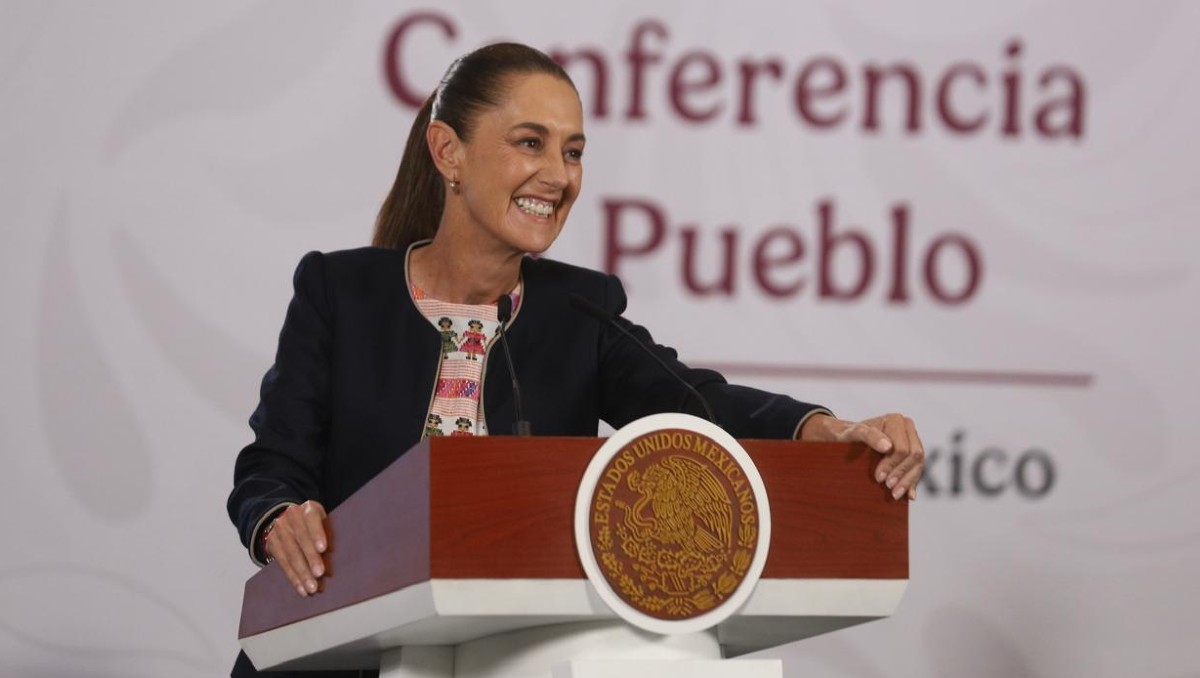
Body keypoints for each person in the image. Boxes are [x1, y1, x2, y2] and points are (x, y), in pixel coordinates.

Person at [227, 42, 924, 678]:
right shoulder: (339, 291)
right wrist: (279, 515)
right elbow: (273, 462)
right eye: (531, 143)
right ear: (449, 152)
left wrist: (823, 431)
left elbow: (700, 405)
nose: (558, 176)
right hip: (334, 654)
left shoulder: (580, 310)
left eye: (574, 151)